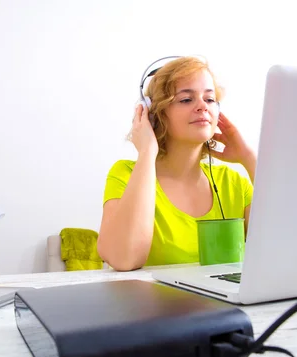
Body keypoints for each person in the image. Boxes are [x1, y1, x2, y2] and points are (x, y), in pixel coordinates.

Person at [97, 56, 257, 271]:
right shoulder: (125, 174)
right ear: (155, 115)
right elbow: (124, 259)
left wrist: (249, 159)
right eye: (185, 99)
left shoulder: (234, 183)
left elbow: (288, 246)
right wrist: (147, 152)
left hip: (225, 304)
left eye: (209, 99)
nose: (202, 106)